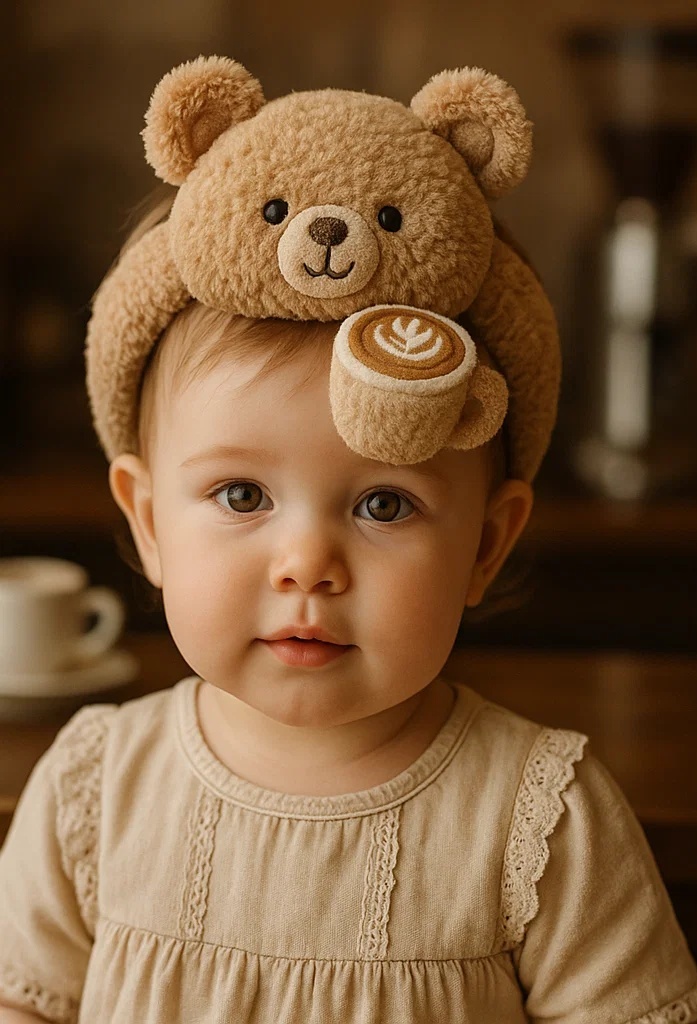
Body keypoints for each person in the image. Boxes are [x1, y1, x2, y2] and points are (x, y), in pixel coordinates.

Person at [1, 56, 696, 1024]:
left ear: (485, 546)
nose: (307, 566)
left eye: (382, 506)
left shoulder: (543, 815)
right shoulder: (94, 788)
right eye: (242, 492)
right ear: (149, 521)